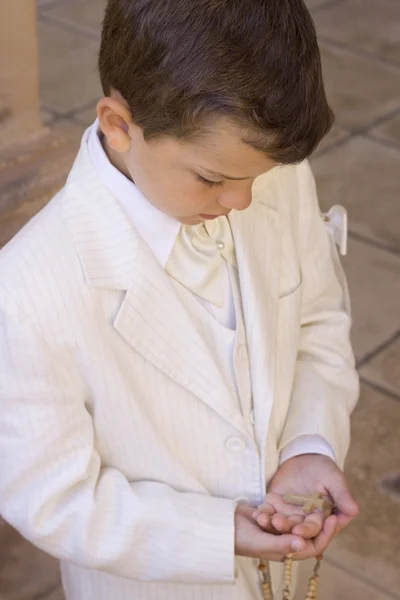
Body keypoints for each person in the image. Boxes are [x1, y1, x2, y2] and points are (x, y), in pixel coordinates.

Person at [0, 0, 359, 598]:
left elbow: (318, 321)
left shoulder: (263, 167)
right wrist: (216, 532)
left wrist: (309, 443)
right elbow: (56, 496)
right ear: (118, 124)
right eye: (213, 180)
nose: (243, 202)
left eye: (256, 179)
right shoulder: (27, 289)